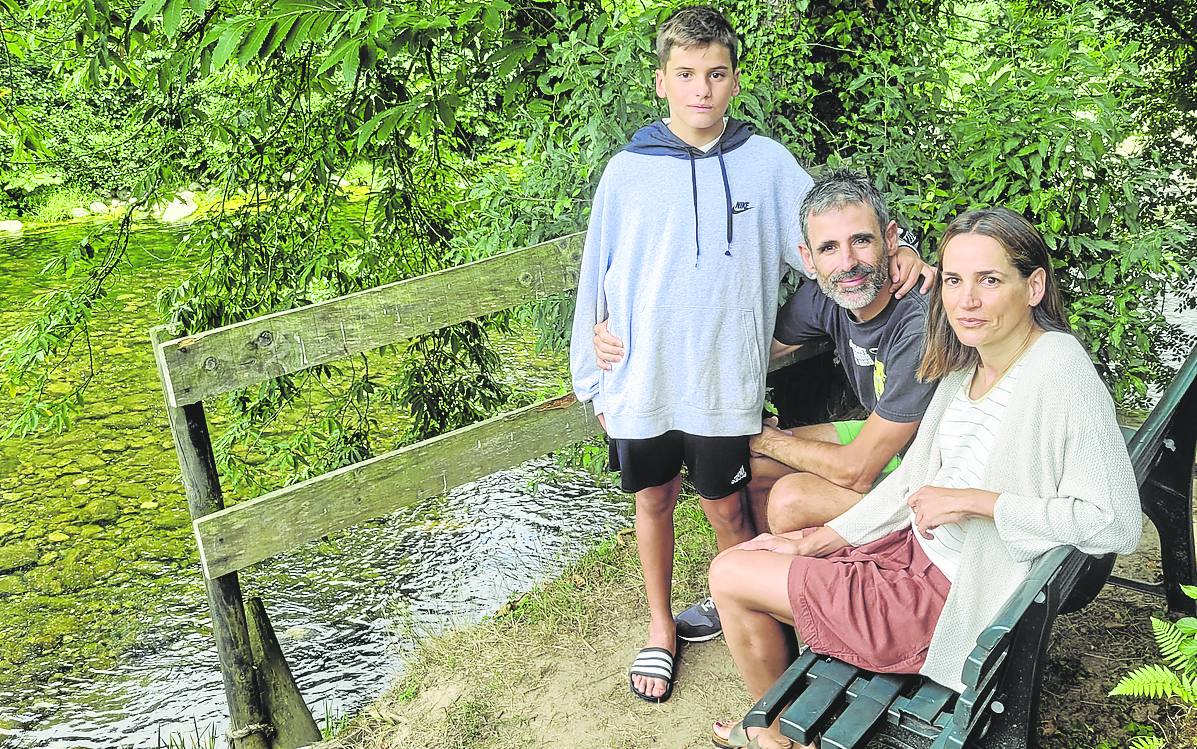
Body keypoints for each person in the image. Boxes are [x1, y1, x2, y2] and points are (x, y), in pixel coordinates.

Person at [569, 9, 931, 703]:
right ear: (660, 83)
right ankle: (659, 625)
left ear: (734, 80)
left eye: (714, 73)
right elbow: (598, 274)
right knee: (653, 499)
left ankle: (743, 601)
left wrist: (904, 245)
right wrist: (593, 362)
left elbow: (830, 226)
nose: (700, 89)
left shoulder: (764, 164)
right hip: (642, 380)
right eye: (684, 75)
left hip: (724, 386)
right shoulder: (627, 171)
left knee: (728, 506)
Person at [706, 207, 1143, 749]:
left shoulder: (1058, 369)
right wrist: (817, 540)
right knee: (768, 552)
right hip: (912, 559)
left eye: (989, 280)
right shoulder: (969, 363)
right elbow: (913, 475)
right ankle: (780, 727)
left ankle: (777, 739)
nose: (967, 300)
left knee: (729, 573)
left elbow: (1117, 525)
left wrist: (978, 502)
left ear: (1034, 286)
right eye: (955, 280)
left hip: (946, 602)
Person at [590, 169, 937, 659]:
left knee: (791, 499)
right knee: (751, 470)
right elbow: (747, 350)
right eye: (830, 248)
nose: (849, 262)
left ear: (891, 239)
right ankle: (758, 587)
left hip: (934, 472)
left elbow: (859, 471)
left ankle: (815, 598)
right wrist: (622, 342)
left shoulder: (916, 318)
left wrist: (771, 438)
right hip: (893, 443)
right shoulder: (825, 297)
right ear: (808, 259)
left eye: (862, 241)